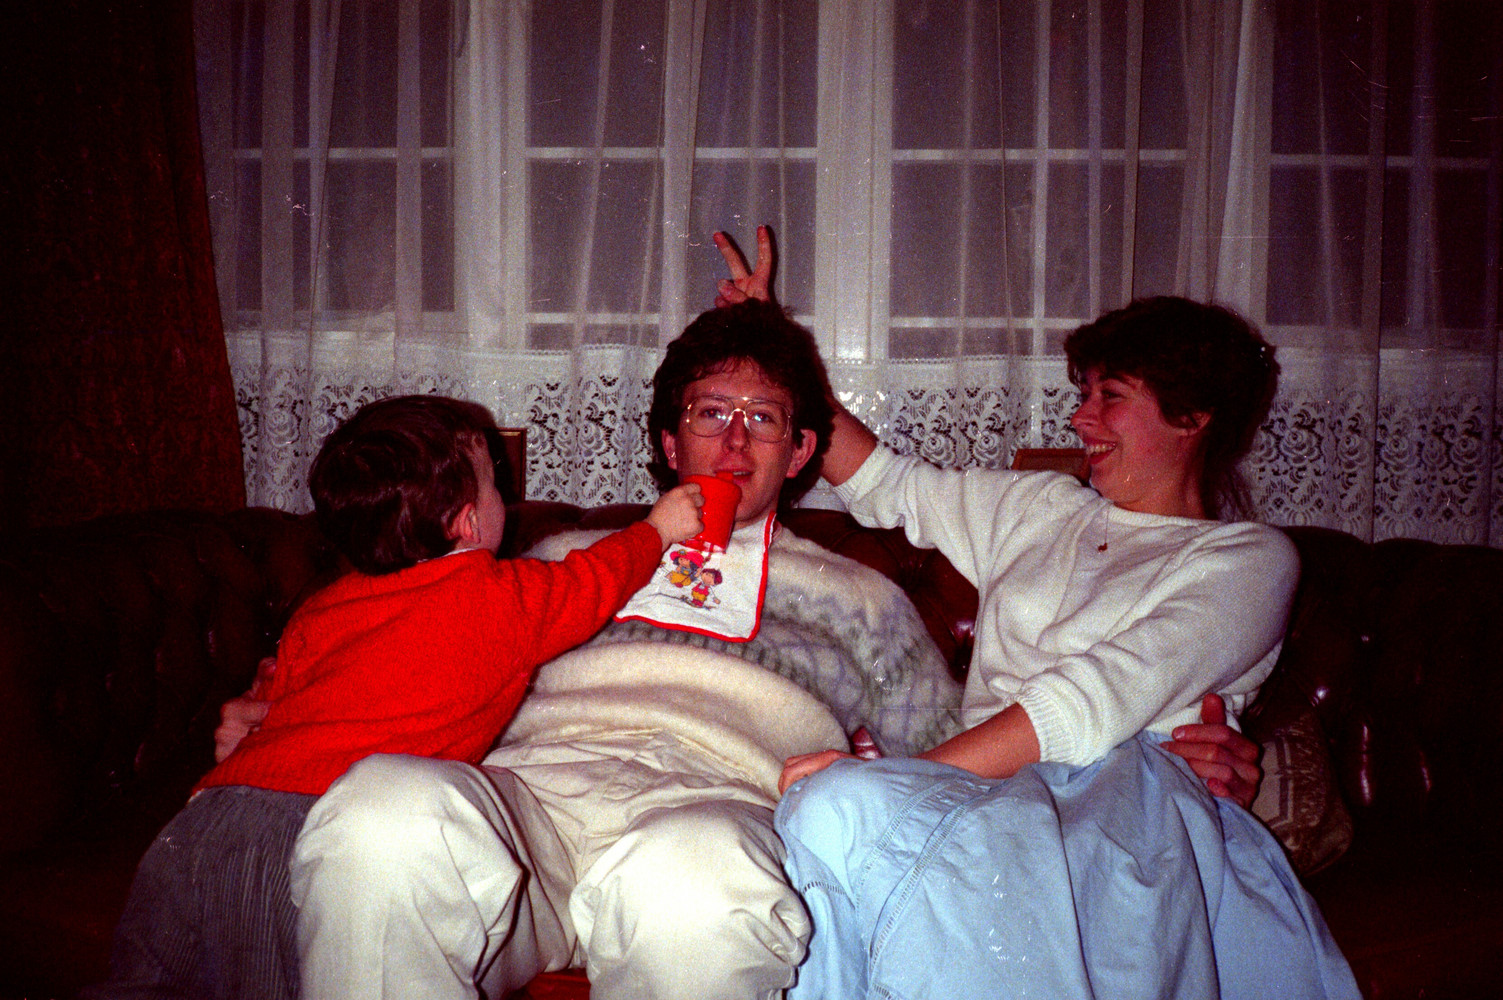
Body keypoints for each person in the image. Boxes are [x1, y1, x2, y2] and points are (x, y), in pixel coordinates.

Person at [215, 299, 1266, 1000]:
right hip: (525, 813)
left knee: (696, 876)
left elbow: (949, 779)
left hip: (713, 815)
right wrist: (279, 712)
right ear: (666, 442)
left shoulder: (863, 600)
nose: (732, 440)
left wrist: (1217, 763)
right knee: (384, 808)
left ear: (801, 452)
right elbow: (381, 649)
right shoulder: (554, 560)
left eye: (763, 419)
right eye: (709, 413)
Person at [747, 289, 1361, 996]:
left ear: (1193, 417)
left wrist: (908, 781)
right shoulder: (1041, 506)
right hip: (988, 796)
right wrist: (773, 342)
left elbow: (1088, 701)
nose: (1080, 417)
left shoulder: (1248, 559)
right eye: (1083, 393)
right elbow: (884, 481)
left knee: (840, 804)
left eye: (1111, 396)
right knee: (824, 808)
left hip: (1126, 806)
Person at [86, 394, 703, 1000]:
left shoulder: (325, 605)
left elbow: (276, 696)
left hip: (204, 821)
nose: (505, 500)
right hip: (310, 826)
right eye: (494, 485)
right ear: (467, 521)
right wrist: (657, 530)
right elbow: (593, 580)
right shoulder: (498, 596)